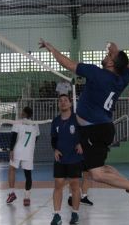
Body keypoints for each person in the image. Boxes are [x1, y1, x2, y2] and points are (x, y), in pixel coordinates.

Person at [39, 39, 129, 213]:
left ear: (112, 63)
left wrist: (52, 49)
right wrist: (117, 52)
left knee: (97, 173)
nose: (106, 56)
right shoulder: (122, 78)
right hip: (97, 128)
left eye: (108, 56)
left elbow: (66, 63)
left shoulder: (96, 73)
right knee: (101, 168)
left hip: (95, 129)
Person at [50, 94, 83, 225]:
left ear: (70, 103)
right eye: (60, 101)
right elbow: (53, 139)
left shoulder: (77, 119)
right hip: (60, 158)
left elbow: (85, 133)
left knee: (74, 185)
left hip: (74, 157)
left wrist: (81, 143)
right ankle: (57, 215)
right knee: (58, 184)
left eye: (65, 100)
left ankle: (75, 213)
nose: (63, 103)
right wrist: (55, 149)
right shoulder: (56, 121)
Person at [6, 107, 40, 206]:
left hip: (18, 150)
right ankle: (27, 197)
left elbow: (13, 137)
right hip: (29, 151)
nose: (21, 113)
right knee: (28, 174)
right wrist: (30, 146)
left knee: (12, 169)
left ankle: (12, 193)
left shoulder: (18, 122)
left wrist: (11, 150)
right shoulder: (35, 124)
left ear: (24, 113)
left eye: (22, 111)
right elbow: (37, 137)